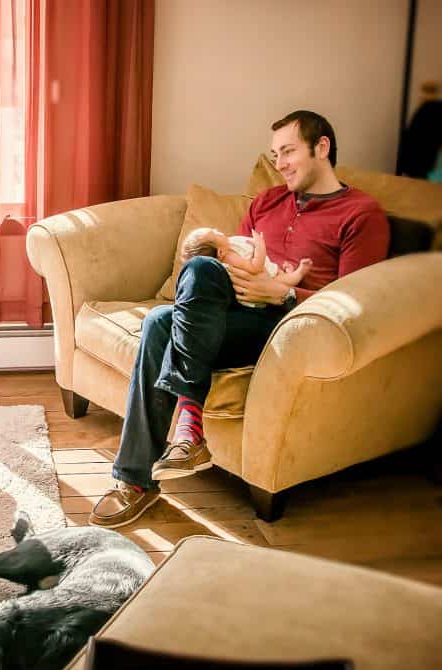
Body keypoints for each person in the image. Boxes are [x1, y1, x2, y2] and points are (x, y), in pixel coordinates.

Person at [89, 110, 390, 528]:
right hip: (231, 313)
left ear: (321, 147)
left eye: (288, 152)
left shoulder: (361, 214)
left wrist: (283, 293)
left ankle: (181, 432)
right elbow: (234, 256)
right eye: (275, 154)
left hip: (288, 329)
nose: (280, 163)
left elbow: (356, 305)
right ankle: (142, 477)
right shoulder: (267, 201)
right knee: (166, 312)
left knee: (163, 321)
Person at [179, 226, 313, 308]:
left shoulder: (227, 251)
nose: (219, 230)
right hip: (258, 287)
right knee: (282, 280)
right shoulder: (230, 257)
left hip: (269, 293)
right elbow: (255, 267)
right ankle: (298, 274)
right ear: (220, 252)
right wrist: (260, 246)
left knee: (165, 316)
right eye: (216, 233)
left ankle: (290, 275)